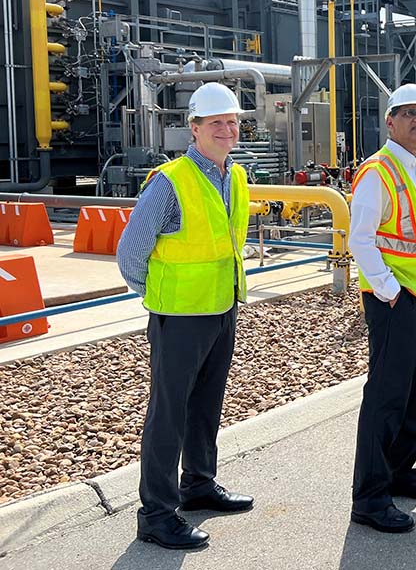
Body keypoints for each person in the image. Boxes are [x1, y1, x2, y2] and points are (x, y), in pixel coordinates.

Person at [116, 82, 254, 551]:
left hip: (221, 307)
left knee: (205, 404)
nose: (226, 129)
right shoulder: (170, 181)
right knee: (168, 414)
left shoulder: (234, 176)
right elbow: (130, 253)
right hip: (179, 315)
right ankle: (156, 513)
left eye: (232, 121)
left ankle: (198, 484)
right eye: (215, 122)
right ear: (193, 128)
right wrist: (159, 296)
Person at [348, 83, 416, 534]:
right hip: (397, 302)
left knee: (414, 394)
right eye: (408, 113)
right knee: (386, 399)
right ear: (389, 121)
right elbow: (360, 240)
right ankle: (370, 497)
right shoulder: (379, 171)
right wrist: (390, 291)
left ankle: (400, 473)